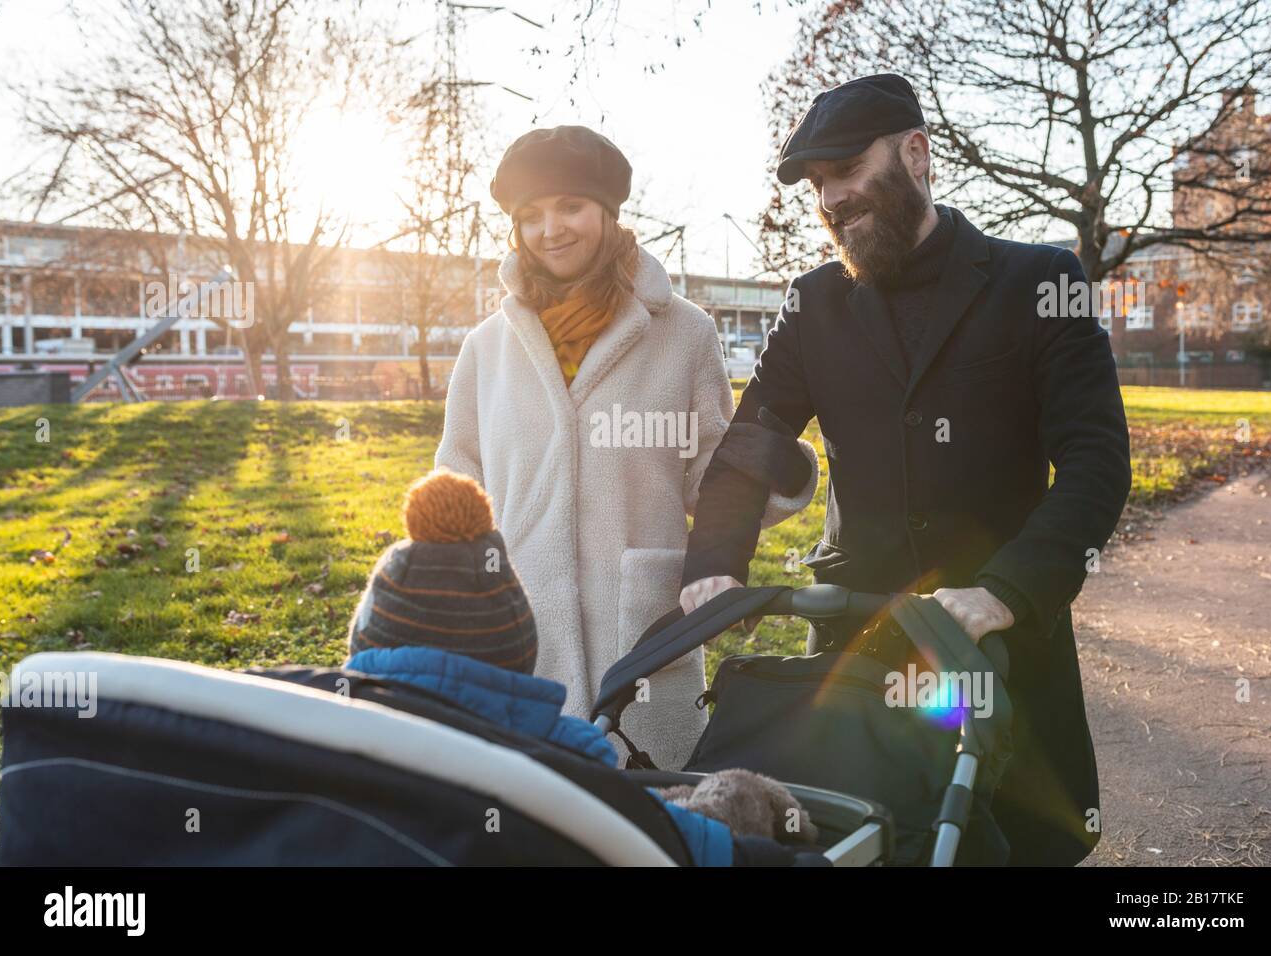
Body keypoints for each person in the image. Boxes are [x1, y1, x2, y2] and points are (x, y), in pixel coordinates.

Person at [679, 74, 1132, 865]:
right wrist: (716, 565)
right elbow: (752, 441)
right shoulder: (811, 305)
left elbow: (1096, 462)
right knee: (867, 840)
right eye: (818, 186)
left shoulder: (1038, 283)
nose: (831, 200)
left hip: (999, 645)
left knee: (1018, 844)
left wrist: (1005, 591)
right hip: (860, 644)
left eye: (847, 171)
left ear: (917, 154)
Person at [435, 126, 818, 769]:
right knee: (537, 809)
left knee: (653, 810)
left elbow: (709, 471)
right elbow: (457, 472)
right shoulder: (486, 348)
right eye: (531, 216)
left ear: (608, 213)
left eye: (570, 207)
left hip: (644, 629)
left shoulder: (684, 333)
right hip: (521, 626)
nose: (550, 229)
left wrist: (774, 468)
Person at [344, 468, 819, 865]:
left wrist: (774, 473)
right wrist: (742, 798)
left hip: (634, 620)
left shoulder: (316, 740)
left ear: (363, 639)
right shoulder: (565, 770)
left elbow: (714, 468)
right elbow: (683, 843)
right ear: (517, 646)